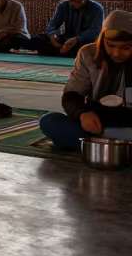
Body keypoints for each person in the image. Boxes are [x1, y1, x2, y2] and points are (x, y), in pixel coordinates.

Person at [38, 11, 132, 151]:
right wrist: (82, 113)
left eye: (126, 47)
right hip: (98, 122)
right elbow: (72, 95)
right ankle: (117, 144)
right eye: (110, 45)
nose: (116, 53)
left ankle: (95, 144)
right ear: (102, 40)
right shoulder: (88, 54)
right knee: (50, 121)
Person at [27, 0, 105, 58]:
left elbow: (95, 31)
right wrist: (52, 35)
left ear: (83, 0)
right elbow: (53, 24)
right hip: (67, 40)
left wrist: (77, 39)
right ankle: (63, 52)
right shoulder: (64, 6)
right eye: (70, 0)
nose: (72, 4)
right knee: (37, 41)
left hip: (83, 41)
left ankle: (61, 52)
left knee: (92, 49)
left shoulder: (97, 9)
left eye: (75, 1)